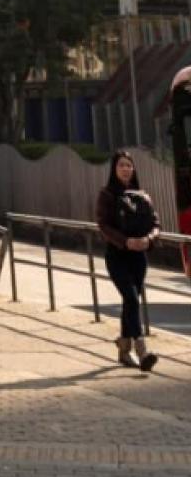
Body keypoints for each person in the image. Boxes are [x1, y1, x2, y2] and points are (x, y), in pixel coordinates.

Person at [96, 150, 161, 371]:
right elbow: (103, 226)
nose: (126, 169)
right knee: (132, 299)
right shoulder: (107, 195)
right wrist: (125, 242)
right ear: (114, 170)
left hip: (139, 258)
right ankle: (142, 350)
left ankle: (124, 348)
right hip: (117, 256)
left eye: (129, 165)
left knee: (130, 301)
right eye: (121, 165)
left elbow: (156, 224)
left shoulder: (142, 195)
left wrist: (148, 240)